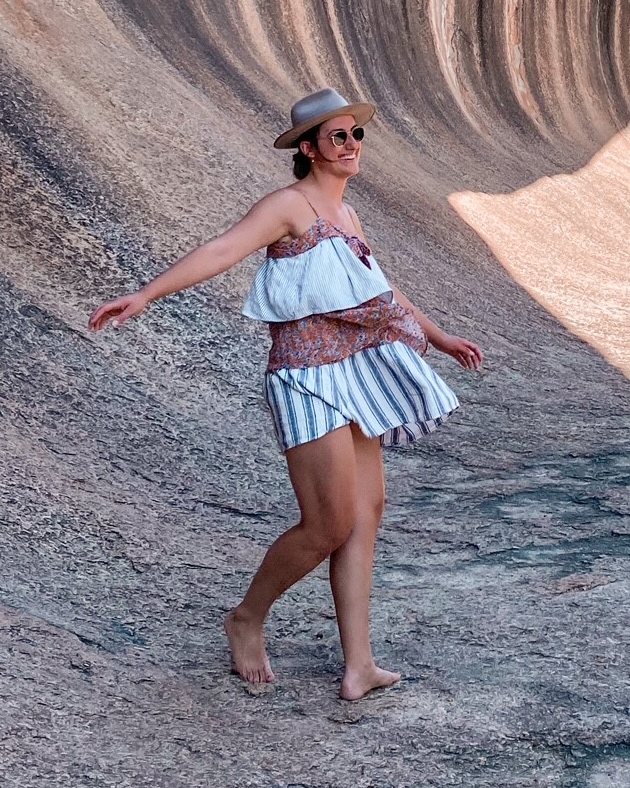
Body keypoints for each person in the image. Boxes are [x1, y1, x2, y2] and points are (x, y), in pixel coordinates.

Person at [88, 88, 482, 697]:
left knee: (364, 516)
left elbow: (380, 290)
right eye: (338, 137)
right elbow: (222, 249)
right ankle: (246, 618)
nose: (352, 146)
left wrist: (439, 335)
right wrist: (146, 294)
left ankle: (359, 666)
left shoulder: (348, 216)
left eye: (356, 136)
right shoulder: (289, 205)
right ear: (309, 148)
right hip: (306, 376)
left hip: (359, 369)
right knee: (327, 523)